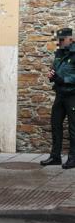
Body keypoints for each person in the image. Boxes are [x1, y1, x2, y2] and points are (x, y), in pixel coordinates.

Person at [40, 28, 75, 169]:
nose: (59, 43)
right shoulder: (59, 54)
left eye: (62, 40)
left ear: (71, 39)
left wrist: (63, 79)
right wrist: (52, 75)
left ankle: (73, 158)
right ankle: (55, 157)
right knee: (55, 125)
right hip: (60, 94)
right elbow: (54, 68)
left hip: (72, 95)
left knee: (73, 128)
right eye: (58, 40)